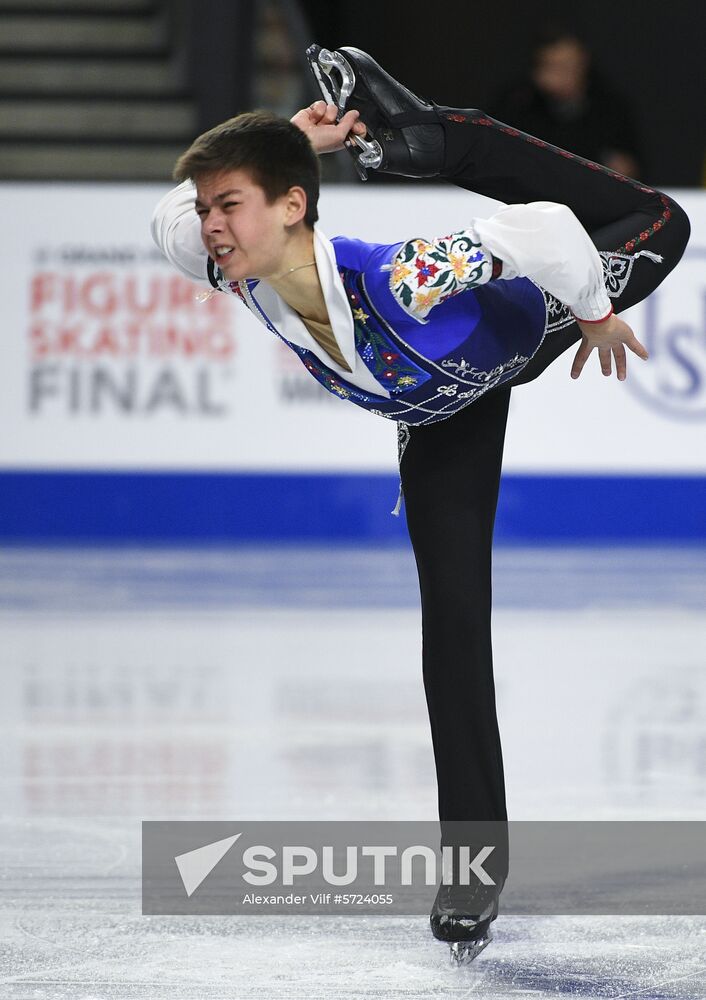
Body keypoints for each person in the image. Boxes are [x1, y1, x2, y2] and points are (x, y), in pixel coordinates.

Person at [150, 45, 690, 962]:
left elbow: (548, 229)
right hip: (442, 420)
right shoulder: (235, 268)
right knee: (453, 632)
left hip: (528, 329)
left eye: (228, 206)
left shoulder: (402, 275)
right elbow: (168, 214)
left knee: (661, 220)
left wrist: (595, 310)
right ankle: (473, 876)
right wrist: (290, 142)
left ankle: (433, 140)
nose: (210, 225)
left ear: (293, 208)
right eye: (210, 211)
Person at [492, 25, 643, 179]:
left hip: (591, 190)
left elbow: (629, 165)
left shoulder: (609, 106)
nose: (563, 75)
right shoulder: (519, 103)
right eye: (554, 67)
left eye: (569, 65)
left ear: (584, 62)